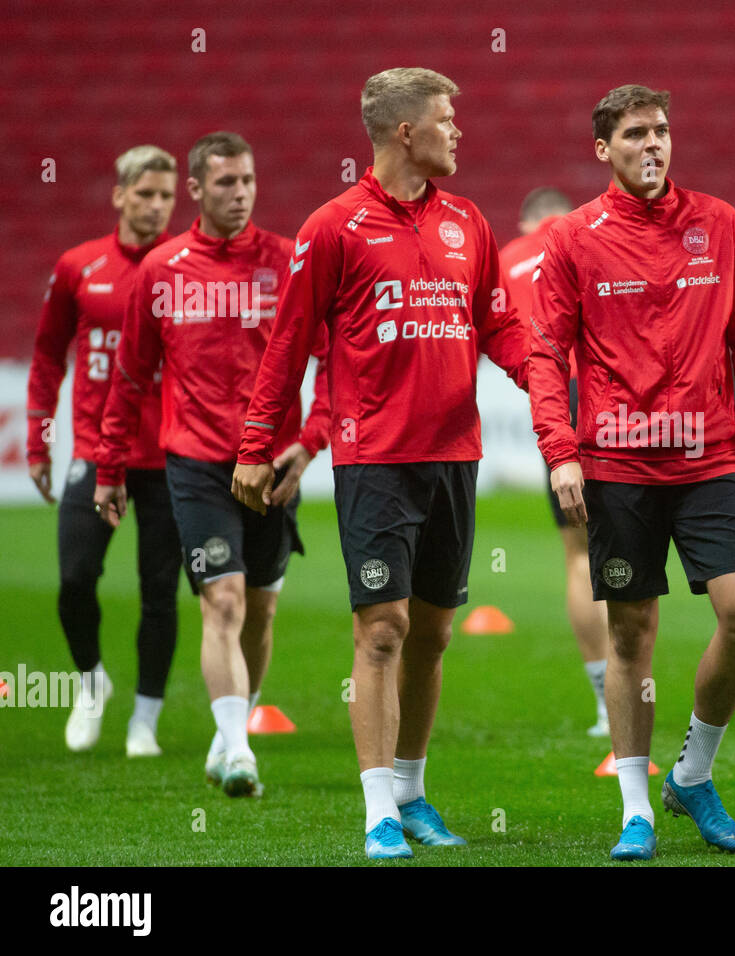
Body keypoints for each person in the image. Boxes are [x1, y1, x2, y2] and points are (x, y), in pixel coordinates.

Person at [232, 68, 529, 860]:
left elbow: (500, 328)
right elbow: (289, 345)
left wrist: (554, 378)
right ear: (405, 131)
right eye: (445, 117)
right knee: (383, 628)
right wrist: (258, 444)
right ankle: (377, 814)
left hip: (455, 454)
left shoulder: (470, 221)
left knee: (432, 631)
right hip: (374, 461)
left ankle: (412, 789)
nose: (458, 130)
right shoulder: (333, 227)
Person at [529, 84, 735, 861]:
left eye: (663, 130)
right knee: (632, 632)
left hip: (708, 457)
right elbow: (546, 352)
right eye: (636, 133)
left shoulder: (721, 223)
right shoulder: (573, 238)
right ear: (603, 149)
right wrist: (560, 449)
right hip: (616, 462)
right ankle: (636, 808)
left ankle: (693, 773)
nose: (653, 143)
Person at [95, 132, 329, 798]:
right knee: (220, 601)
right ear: (196, 190)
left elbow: (336, 360)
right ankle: (237, 748)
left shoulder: (289, 263)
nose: (240, 193)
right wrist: (110, 468)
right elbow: (132, 376)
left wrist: (310, 443)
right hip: (195, 464)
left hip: (274, 464)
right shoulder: (161, 272)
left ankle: (230, 734)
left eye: (248, 181)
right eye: (225, 183)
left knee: (259, 612)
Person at [27, 145, 181, 756]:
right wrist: (40, 437)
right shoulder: (77, 267)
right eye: (144, 194)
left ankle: (145, 719)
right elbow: (45, 354)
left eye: (166, 196)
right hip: (94, 451)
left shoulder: (185, 267)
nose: (155, 206)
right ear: (118, 195)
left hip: (171, 456)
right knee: (74, 579)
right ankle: (92, 682)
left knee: (158, 591)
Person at [500, 187, 611, 738]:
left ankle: (604, 700)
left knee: (578, 552)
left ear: (524, 219)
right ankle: (636, 686)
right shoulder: (587, 241)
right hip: (606, 393)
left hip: (549, 392)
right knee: (628, 543)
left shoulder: (505, 260)